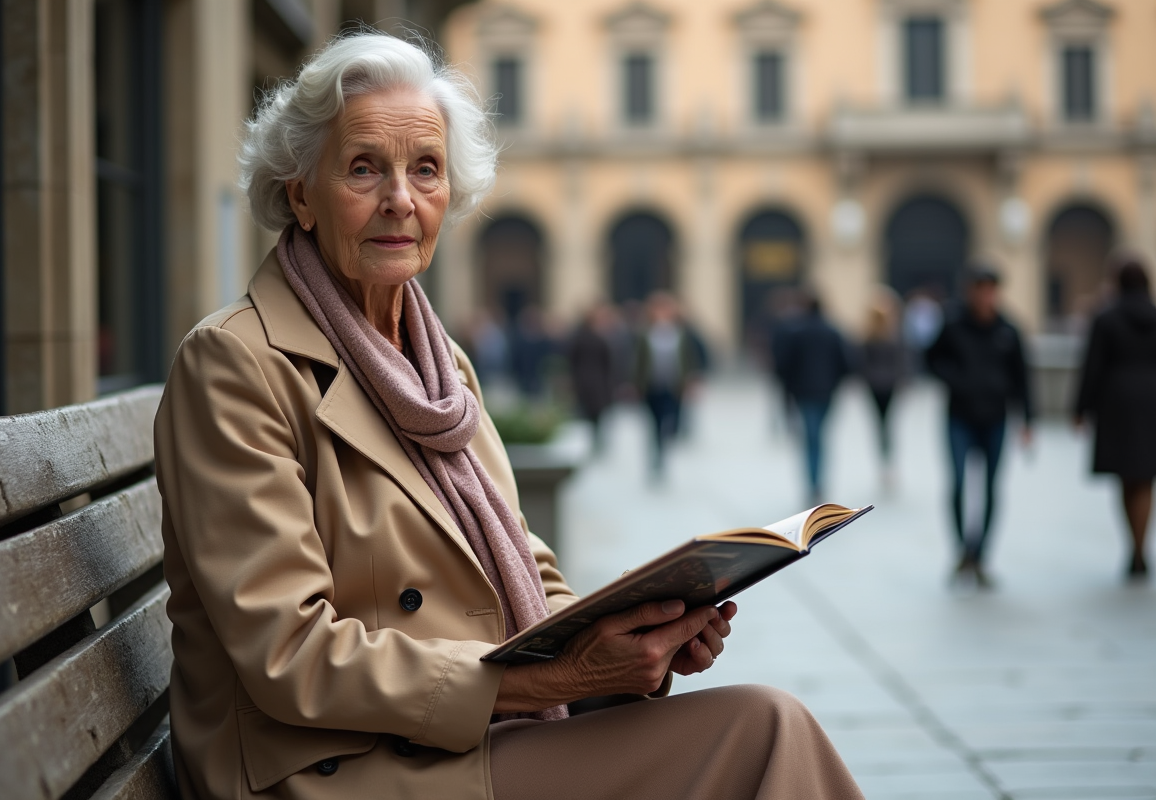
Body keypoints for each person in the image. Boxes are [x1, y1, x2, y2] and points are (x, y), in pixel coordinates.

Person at [153, 33, 863, 800]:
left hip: (456, 736)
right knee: (762, 730)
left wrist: (633, 645)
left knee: (761, 725)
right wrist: (552, 679)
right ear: (300, 194)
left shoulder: (437, 362)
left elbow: (528, 565)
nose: (400, 198)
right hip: (329, 769)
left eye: (425, 169)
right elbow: (289, 655)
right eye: (364, 168)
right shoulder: (233, 364)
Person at [926, 266, 1033, 587]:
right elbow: (931, 359)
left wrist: (1028, 419)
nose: (985, 296)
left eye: (990, 289)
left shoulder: (1008, 330)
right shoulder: (953, 325)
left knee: (990, 488)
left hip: (996, 418)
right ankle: (963, 549)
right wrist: (956, 381)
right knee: (958, 483)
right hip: (959, 416)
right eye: (980, 289)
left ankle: (982, 554)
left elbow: (1022, 378)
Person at [1074, 257, 1156, 580]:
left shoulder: (1106, 318)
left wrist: (1080, 409)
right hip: (1152, 400)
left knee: (1126, 476)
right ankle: (1140, 546)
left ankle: (1133, 547)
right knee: (1146, 476)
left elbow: (1092, 367)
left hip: (1118, 401)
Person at [773, 291, 850, 506]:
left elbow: (784, 365)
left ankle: (813, 483)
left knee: (811, 437)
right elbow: (846, 363)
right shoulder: (833, 331)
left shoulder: (796, 332)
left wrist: (789, 388)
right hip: (826, 392)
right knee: (820, 437)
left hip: (804, 392)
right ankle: (818, 483)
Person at [634, 292, 701, 480]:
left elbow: (690, 359)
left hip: (674, 386)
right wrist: (634, 384)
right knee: (654, 424)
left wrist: (693, 380)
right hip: (652, 386)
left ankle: (664, 447)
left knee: (672, 422)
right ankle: (658, 458)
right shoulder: (644, 334)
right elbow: (638, 362)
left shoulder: (681, 333)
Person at [856, 290, 908, 491]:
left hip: (876, 384)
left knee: (881, 423)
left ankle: (885, 460)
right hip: (887, 384)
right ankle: (887, 461)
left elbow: (862, 363)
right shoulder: (891, 335)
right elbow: (901, 362)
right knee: (887, 423)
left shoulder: (870, 335)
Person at [568, 303, 616, 452]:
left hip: (591, 380)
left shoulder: (582, 336)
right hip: (593, 381)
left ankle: (596, 439)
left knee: (595, 413)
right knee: (593, 413)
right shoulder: (592, 337)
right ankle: (596, 440)